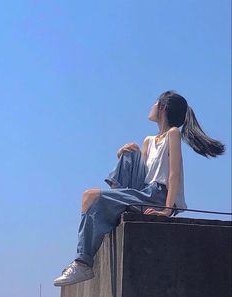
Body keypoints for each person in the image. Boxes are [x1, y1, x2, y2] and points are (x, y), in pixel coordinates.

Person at [53, 90, 226, 287]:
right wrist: (122, 153)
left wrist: (167, 210)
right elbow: (142, 175)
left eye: (155, 103)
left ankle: (82, 263)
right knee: (130, 151)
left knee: (89, 196)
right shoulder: (148, 141)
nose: (151, 106)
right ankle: (115, 207)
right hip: (145, 191)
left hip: (159, 196)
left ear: (162, 108)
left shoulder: (173, 134)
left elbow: (174, 174)